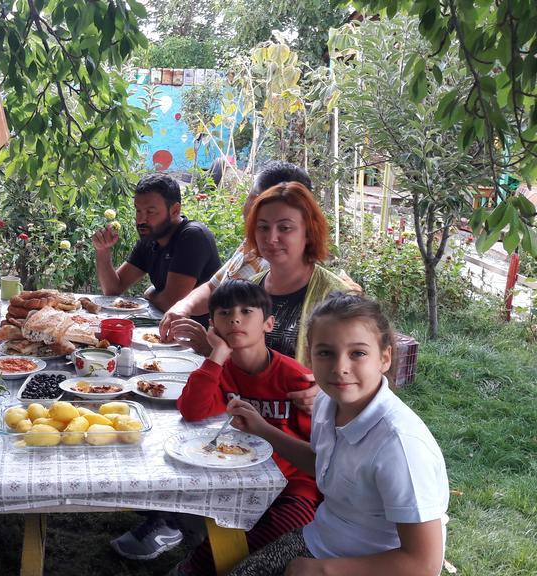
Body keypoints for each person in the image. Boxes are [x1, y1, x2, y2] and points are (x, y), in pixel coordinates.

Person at [226, 292, 449, 576]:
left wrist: (324, 570)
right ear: (310, 356)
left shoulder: (400, 446)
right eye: (325, 353)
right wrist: (263, 429)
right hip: (320, 540)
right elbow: (322, 461)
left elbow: (423, 565)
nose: (340, 368)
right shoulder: (327, 403)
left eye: (358, 353)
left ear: (384, 358)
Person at [114, 280, 321, 575]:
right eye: (224, 313)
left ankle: (193, 566)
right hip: (234, 475)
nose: (235, 318)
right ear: (212, 325)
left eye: (247, 311)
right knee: (214, 522)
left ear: (269, 323)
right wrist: (218, 355)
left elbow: (321, 451)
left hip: (292, 486)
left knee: (270, 534)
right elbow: (192, 410)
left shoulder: (297, 379)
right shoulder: (219, 370)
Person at [159, 161, 314, 349]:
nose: (271, 238)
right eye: (264, 226)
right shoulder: (254, 248)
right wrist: (184, 306)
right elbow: (213, 287)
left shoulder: (323, 296)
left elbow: (262, 362)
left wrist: (212, 349)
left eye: (285, 227)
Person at [93, 173, 221, 314]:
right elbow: (113, 289)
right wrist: (102, 250)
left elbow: (171, 304)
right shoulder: (150, 238)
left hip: (199, 333)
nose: (141, 220)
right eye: (138, 211)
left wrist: (149, 295)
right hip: (165, 327)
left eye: (150, 212)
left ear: (175, 210)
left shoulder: (192, 236)